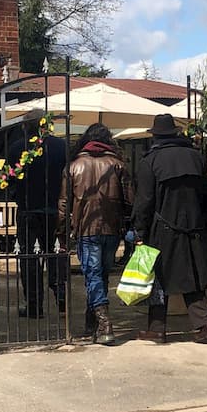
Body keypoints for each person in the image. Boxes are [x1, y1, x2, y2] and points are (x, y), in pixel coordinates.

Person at [131, 113, 207, 344]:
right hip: (195, 227)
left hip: (162, 228)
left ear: (156, 136)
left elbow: (144, 201)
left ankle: (157, 328)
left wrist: (139, 231)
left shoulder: (150, 161)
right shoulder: (196, 157)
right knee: (192, 275)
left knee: (159, 278)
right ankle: (205, 324)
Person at [57, 123, 133, 345]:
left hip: (86, 228)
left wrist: (62, 233)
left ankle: (104, 324)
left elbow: (64, 204)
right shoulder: (118, 165)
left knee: (93, 275)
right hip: (112, 228)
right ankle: (93, 321)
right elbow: (130, 201)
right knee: (101, 274)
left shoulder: (73, 166)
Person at [7, 110, 67, 318]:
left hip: (28, 209)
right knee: (54, 254)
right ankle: (61, 300)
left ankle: (34, 304)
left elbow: (9, 179)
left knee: (29, 257)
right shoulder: (61, 147)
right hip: (53, 210)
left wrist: (17, 196)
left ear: (26, 127)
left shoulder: (17, 148)